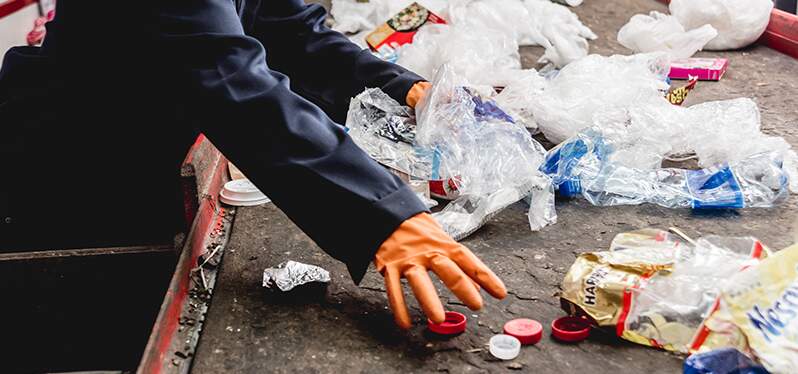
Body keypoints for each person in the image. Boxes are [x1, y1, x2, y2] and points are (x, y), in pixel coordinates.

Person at [0, 0, 506, 329]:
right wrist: (384, 214)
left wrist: (404, 87)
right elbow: (230, 81)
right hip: (66, 174)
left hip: (145, 150)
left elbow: (289, 32)